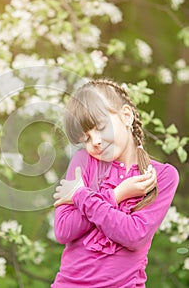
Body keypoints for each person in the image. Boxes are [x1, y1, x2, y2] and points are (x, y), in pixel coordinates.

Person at [51, 79, 179, 288]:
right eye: (86, 138)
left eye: (100, 128)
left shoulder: (162, 176)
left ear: (126, 116)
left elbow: (134, 235)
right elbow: (64, 230)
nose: (95, 141)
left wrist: (81, 195)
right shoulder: (84, 161)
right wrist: (116, 195)